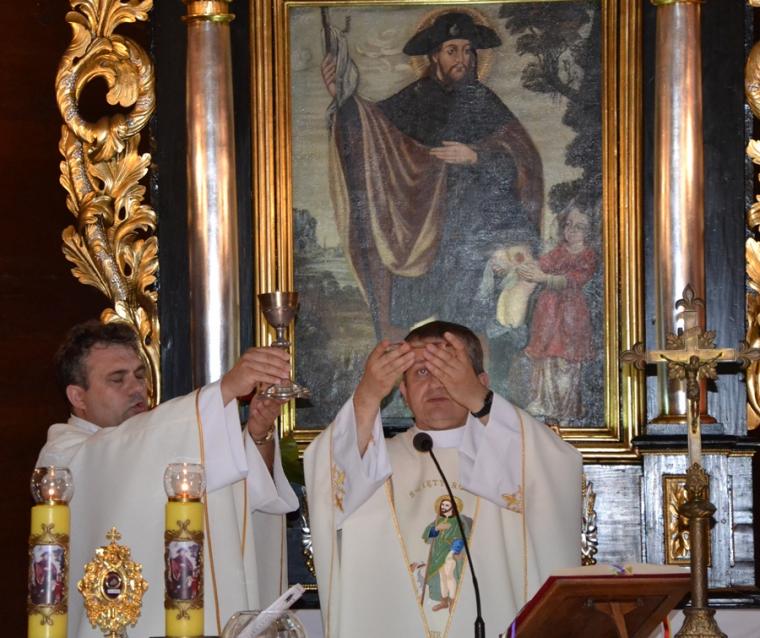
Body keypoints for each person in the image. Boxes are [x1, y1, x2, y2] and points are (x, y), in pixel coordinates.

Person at [304, 320, 582, 637]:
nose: (436, 383)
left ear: (480, 383)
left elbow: (559, 471)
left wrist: (481, 401)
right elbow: (326, 481)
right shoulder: (368, 462)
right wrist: (367, 396)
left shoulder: (511, 456)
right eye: (422, 372)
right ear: (403, 390)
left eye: (448, 369)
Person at [36, 320, 299, 637]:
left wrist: (257, 435)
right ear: (78, 396)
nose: (136, 388)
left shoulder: (166, 440)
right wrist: (227, 389)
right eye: (117, 379)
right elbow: (113, 456)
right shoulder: (62, 457)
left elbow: (243, 500)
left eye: (139, 375)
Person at [322, 11, 543, 338]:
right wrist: (341, 97)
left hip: (470, 230)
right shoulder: (414, 97)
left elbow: (523, 159)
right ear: (434, 56)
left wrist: (475, 156)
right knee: (421, 328)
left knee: (467, 325)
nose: (462, 59)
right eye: (452, 50)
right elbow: (373, 130)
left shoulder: (483, 101)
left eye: (467, 51)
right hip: (421, 229)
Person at [518, 207, 597, 423]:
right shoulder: (559, 251)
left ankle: (565, 409)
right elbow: (542, 264)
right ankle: (545, 403)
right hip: (549, 314)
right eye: (568, 225)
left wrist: (544, 278)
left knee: (565, 360)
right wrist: (526, 267)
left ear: (589, 231)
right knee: (546, 357)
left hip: (571, 315)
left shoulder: (588, 255)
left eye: (579, 227)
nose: (571, 230)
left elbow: (573, 280)